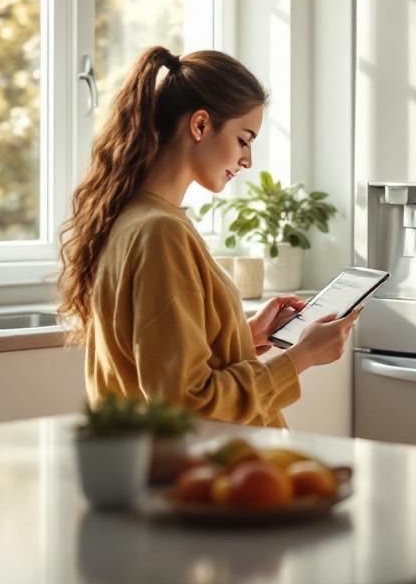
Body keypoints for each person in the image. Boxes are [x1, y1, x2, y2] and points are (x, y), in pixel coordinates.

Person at [57, 46, 358, 427]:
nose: (248, 160)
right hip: (203, 471)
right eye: (244, 139)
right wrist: (301, 357)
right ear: (199, 125)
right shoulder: (159, 232)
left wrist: (244, 336)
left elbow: (161, 361)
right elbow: (185, 403)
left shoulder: (135, 218)